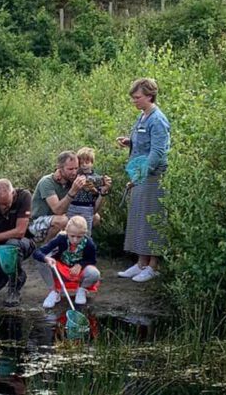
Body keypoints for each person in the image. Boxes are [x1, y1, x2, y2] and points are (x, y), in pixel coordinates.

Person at [116, 77, 170, 283]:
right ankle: (140, 263)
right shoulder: (142, 116)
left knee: (153, 219)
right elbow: (144, 143)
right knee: (139, 218)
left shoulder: (158, 120)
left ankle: (153, 266)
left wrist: (140, 174)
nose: (134, 101)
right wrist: (129, 142)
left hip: (153, 176)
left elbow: (157, 152)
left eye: (137, 97)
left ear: (149, 96)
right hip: (140, 174)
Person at [33, 215, 101, 308]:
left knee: (94, 273)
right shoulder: (61, 238)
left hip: (78, 272)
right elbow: (38, 252)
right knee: (41, 261)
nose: (75, 240)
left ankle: (82, 289)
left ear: (85, 233)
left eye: (79, 237)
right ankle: (54, 292)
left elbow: (92, 261)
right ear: (67, 231)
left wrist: (80, 265)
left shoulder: (89, 243)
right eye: (72, 236)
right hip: (61, 270)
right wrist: (46, 258)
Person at [29, 151, 86, 243]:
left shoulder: (72, 180)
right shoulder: (47, 182)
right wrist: (73, 191)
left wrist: (103, 192)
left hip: (59, 219)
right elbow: (57, 210)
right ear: (60, 168)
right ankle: (45, 250)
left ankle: (77, 248)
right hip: (37, 222)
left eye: (76, 168)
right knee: (62, 220)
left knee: (94, 217)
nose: (74, 172)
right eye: (70, 169)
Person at [67, 147, 112, 233]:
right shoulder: (75, 175)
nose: (84, 165)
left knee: (85, 231)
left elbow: (99, 194)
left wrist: (98, 188)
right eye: (81, 163)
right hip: (72, 206)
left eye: (87, 162)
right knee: (69, 229)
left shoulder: (97, 178)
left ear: (92, 163)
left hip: (88, 207)